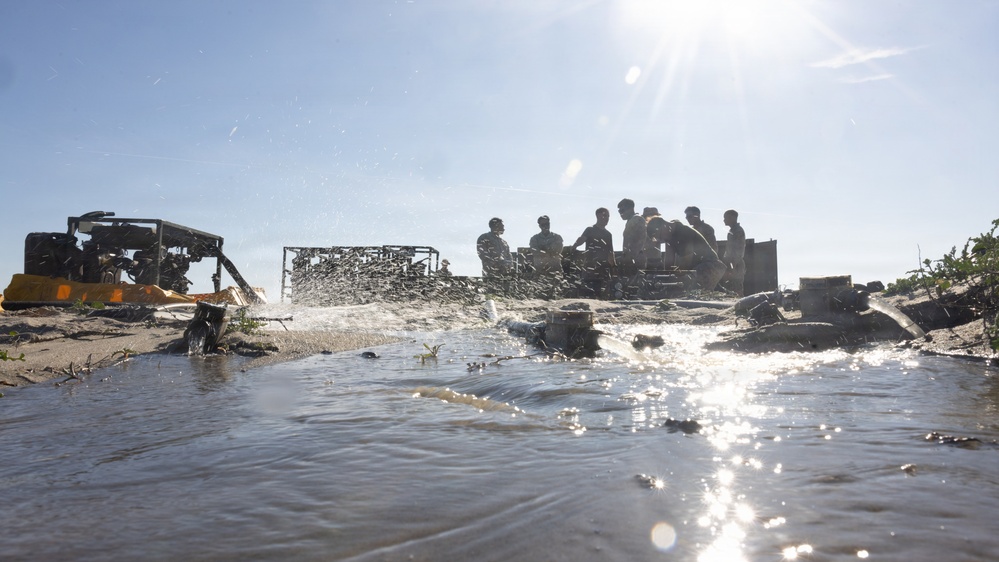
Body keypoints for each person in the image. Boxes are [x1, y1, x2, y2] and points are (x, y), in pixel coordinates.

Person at [659, 218, 727, 291]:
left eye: (659, 235)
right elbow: (669, 261)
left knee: (690, 290)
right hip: (697, 269)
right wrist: (666, 275)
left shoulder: (683, 232)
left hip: (710, 267)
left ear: (663, 227)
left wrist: (676, 274)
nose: (661, 239)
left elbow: (687, 260)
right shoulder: (670, 237)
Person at [571, 208, 616, 299]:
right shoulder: (590, 230)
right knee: (587, 289)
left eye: (608, 216)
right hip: (590, 265)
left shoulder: (608, 234)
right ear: (598, 216)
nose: (606, 218)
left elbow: (610, 252)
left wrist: (614, 267)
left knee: (601, 291)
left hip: (603, 268)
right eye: (604, 215)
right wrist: (574, 246)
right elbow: (582, 239)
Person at [529, 215, 564, 298]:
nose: (545, 226)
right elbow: (534, 250)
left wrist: (543, 250)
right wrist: (548, 251)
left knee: (557, 292)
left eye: (547, 223)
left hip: (554, 268)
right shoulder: (535, 238)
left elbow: (557, 250)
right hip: (540, 269)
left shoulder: (557, 237)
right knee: (538, 293)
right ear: (539, 226)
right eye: (543, 224)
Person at [476, 217, 514, 292]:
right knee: (490, 291)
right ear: (495, 226)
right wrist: (495, 262)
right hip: (491, 271)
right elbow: (482, 253)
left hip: (505, 272)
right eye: (501, 226)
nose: (503, 228)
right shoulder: (484, 237)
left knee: (505, 292)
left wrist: (509, 264)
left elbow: (509, 256)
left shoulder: (504, 242)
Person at [617, 198, 647, 277]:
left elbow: (640, 241)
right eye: (619, 211)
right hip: (630, 259)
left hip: (635, 260)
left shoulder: (637, 219)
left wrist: (631, 257)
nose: (621, 214)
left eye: (622, 210)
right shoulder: (631, 220)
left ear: (631, 208)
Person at [721, 209, 747, 296]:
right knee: (731, 287)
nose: (724, 220)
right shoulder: (733, 231)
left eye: (726, 218)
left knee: (737, 287)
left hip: (736, 263)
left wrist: (732, 266)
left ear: (732, 218)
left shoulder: (738, 231)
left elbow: (738, 250)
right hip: (731, 263)